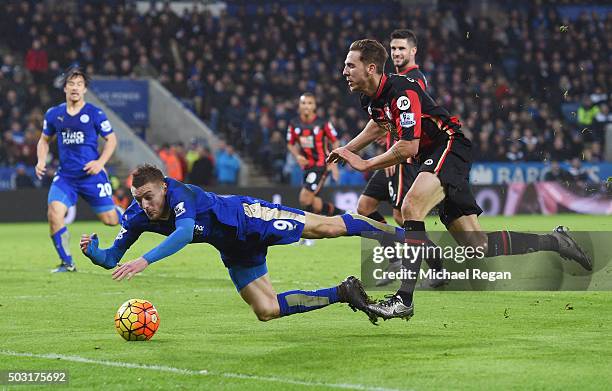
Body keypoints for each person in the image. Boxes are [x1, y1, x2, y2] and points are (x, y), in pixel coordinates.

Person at [331, 39, 592, 323]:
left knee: (410, 208)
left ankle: (402, 300)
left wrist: (367, 163)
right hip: (432, 156)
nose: (344, 70)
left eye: (350, 65)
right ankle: (556, 241)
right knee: (477, 246)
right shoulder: (370, 99)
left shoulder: (402, 91)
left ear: (370, 68)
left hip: (449, 145)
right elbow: (380, 123)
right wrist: (350, 148)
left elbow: (408, 147)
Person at [79, 164, 410, 322]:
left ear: (163, 187)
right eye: (139, 199)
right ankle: (343, 292)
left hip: (249, 218)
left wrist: (145, 261)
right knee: (266, 311)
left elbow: (183, 232)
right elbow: (111, 259)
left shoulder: (180, 194)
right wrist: (95, 253)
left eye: (149, 197)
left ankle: (404, 237)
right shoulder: (137, 216)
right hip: (233, 247)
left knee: (327, 228)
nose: (145, 205)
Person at [356, 29, 443, 288]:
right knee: (365, 207)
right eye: (393, 49)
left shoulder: (413, 80)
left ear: (413, 51)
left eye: (401, 49)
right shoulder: (391, 79)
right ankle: (395, 258)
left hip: (401, 159)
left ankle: (437, 266)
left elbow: (409, 123)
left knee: (403, 217)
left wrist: (393, 156)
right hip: (389, 158)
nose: (396, 53)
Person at [35, 67, 120, 273]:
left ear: (84, 90)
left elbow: (111, 140)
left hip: (92, 176)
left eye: (79, 84)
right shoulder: (54, 114)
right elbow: (44, 140)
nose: (75, 88)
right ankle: (67, 262)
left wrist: (100, 162)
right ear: (65, 88)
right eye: (71, 84)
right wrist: (40, 160)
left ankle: (127, 214)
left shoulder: (94, 113)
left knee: (110, 221)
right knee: (54, 212)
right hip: (66, 177)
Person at [286, 93, 345, 217]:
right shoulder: (294, 124)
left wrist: (333, 164)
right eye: (303, 103)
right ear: (299, 106)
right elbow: (290, 144)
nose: (306, 106)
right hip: (307, 167)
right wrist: (297, 156)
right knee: (316, 204)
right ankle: (344, 214)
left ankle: (309, 234)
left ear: (314, 106)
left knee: (304, 199)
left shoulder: (322, 123)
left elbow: (335, 141)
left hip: (321, 166)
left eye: (309, 103)